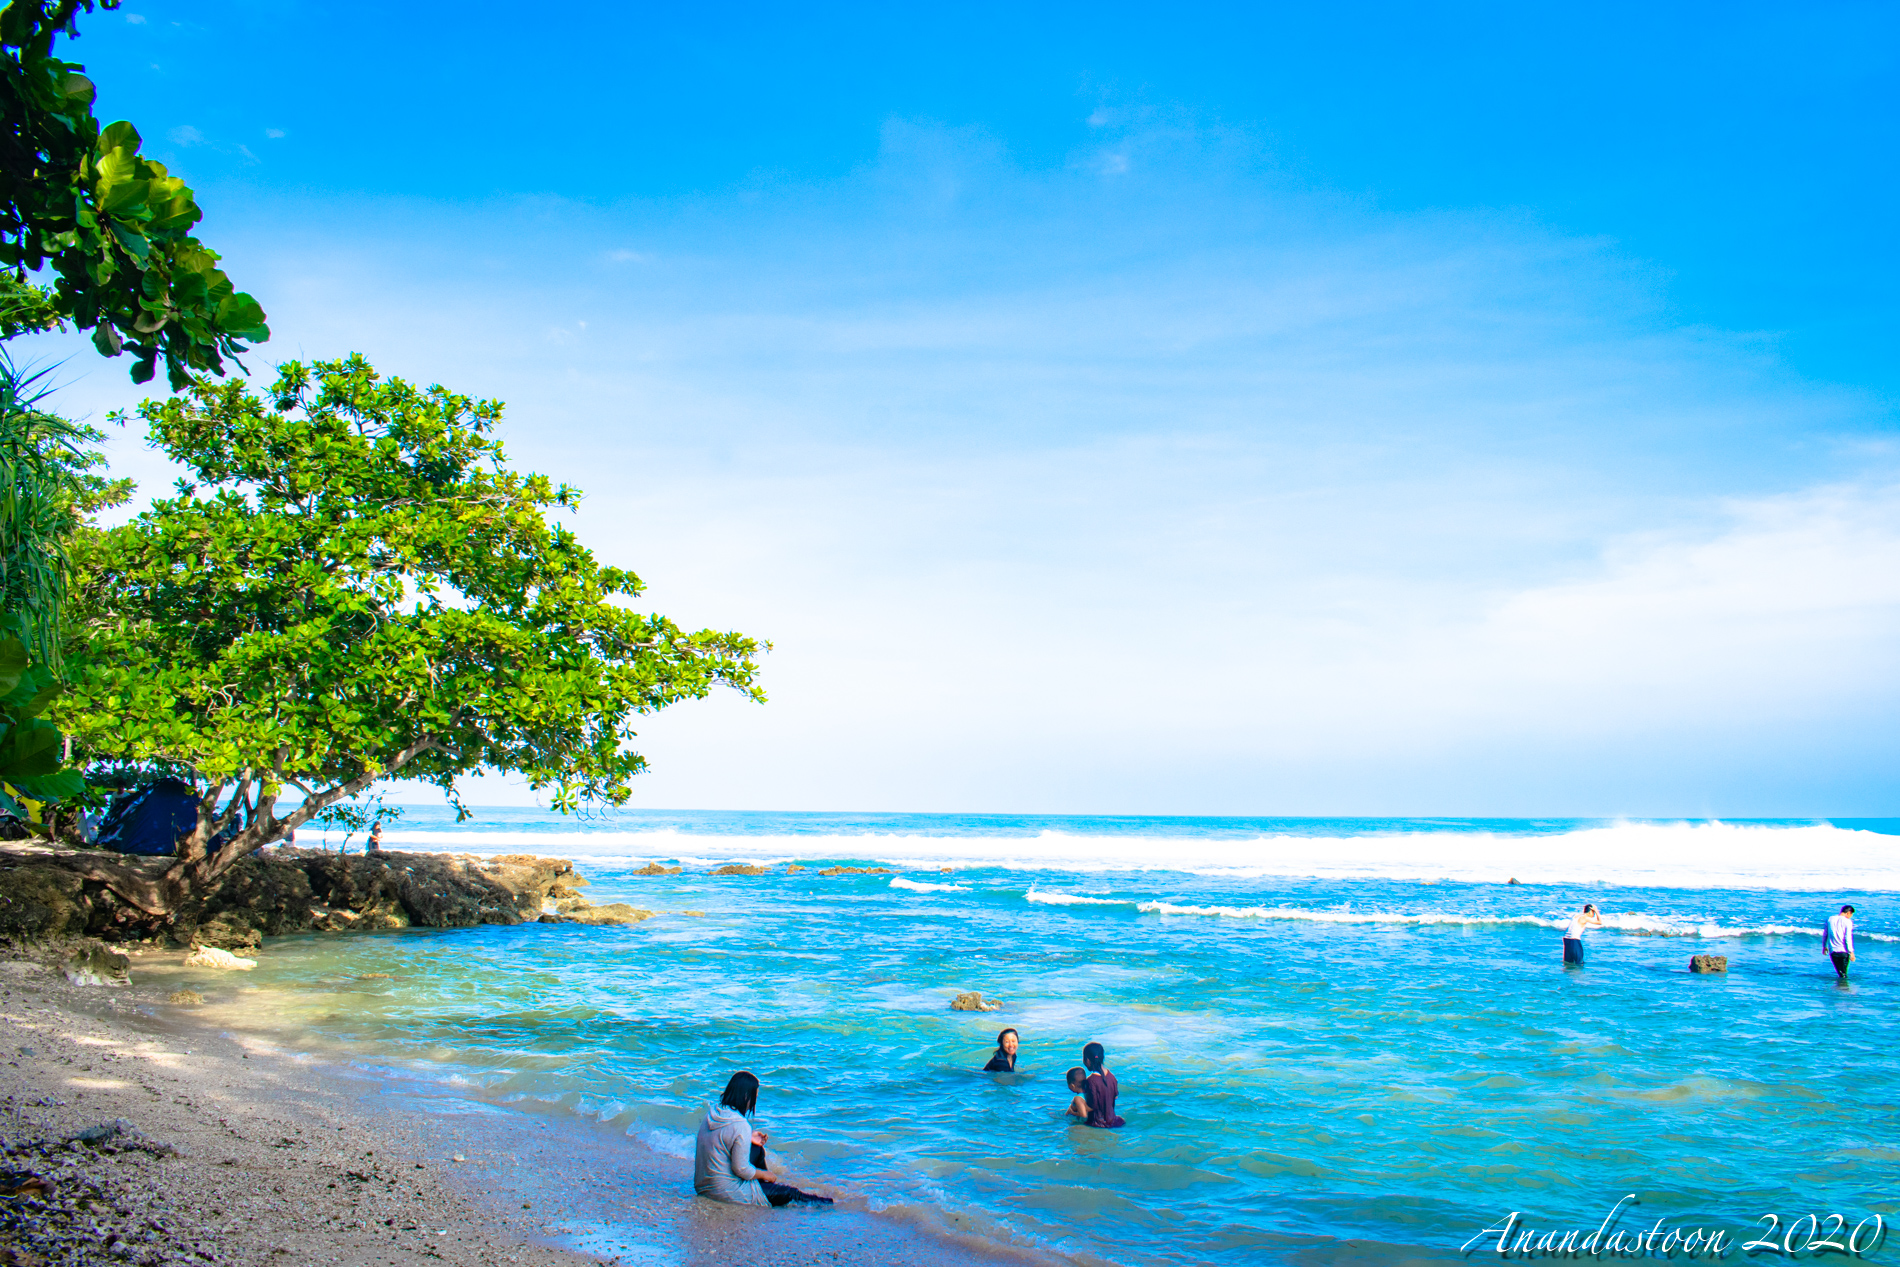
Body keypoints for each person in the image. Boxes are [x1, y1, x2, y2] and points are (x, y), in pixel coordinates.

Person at [693, 1071, 833, 1208]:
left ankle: (766, 1186)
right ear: (746, 1097)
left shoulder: (712, 1113)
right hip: (725, 1192)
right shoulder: (741, 1125)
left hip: (702, 1186)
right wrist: (765, 1173)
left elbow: (722, 1139)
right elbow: (741, 1170)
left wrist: (749, 1137)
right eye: (755, 1097)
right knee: (791, 1193)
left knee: (757, 1148)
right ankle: (830, 1204)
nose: (754, 1102)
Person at [1079, 1042, 1125, 1128]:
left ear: (1087, 1060)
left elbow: (1092, 1107)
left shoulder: (1091, 1081)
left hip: (1096, 1123)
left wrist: (1076, 1107)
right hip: (1113, 1121)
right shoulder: (1112, 1077)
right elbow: (1115, 1097)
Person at [1824, 905, 1856, 980]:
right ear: (1848, 913)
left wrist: (1824, 946)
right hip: (1843, 951)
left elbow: (1826, 934)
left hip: (1833, 951)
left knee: (1840, 972)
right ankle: (1843, 988)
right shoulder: (1848, 922)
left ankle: (1841, 987)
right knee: (1843, 973)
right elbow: (1847, 938)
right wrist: (1851, 952)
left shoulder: (1830, 919)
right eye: (1851, 915)